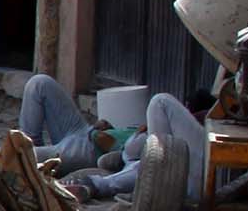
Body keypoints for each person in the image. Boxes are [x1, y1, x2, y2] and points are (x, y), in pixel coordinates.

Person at [20, 74, 206, 201]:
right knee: (40, 82)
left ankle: (29, 160)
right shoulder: (155, 129)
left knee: (23, 154)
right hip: (84, 130)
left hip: (89, 147)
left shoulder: (168, 146)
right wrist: (105, 128)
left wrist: (102, 139)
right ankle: (30, 148)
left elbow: (131, 159)